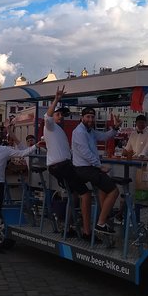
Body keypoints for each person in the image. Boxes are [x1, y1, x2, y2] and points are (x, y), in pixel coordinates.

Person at [44, 86, 91, 240]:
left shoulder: (59, 130)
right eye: (58, 115)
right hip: (61, 166)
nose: (61, 117)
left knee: (75, 194)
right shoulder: (50, 127)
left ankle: (69, 226)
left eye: (62, 115)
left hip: (62, 165)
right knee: (86, 193)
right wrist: (56, 99)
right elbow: (47, 116)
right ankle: (86, 231)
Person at [72, 107, 122, 235]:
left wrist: (115, 128)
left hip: (88, 169)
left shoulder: (90, 131)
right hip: (84, 169)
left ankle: (104, 215)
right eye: (88, 117)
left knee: (103, 189)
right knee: (114, 191)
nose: (90, 119)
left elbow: (105, 136)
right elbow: (86, 153)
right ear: (82, 117)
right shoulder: (79, 132)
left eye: (92, 117)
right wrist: (100, 166)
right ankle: (101, 223)